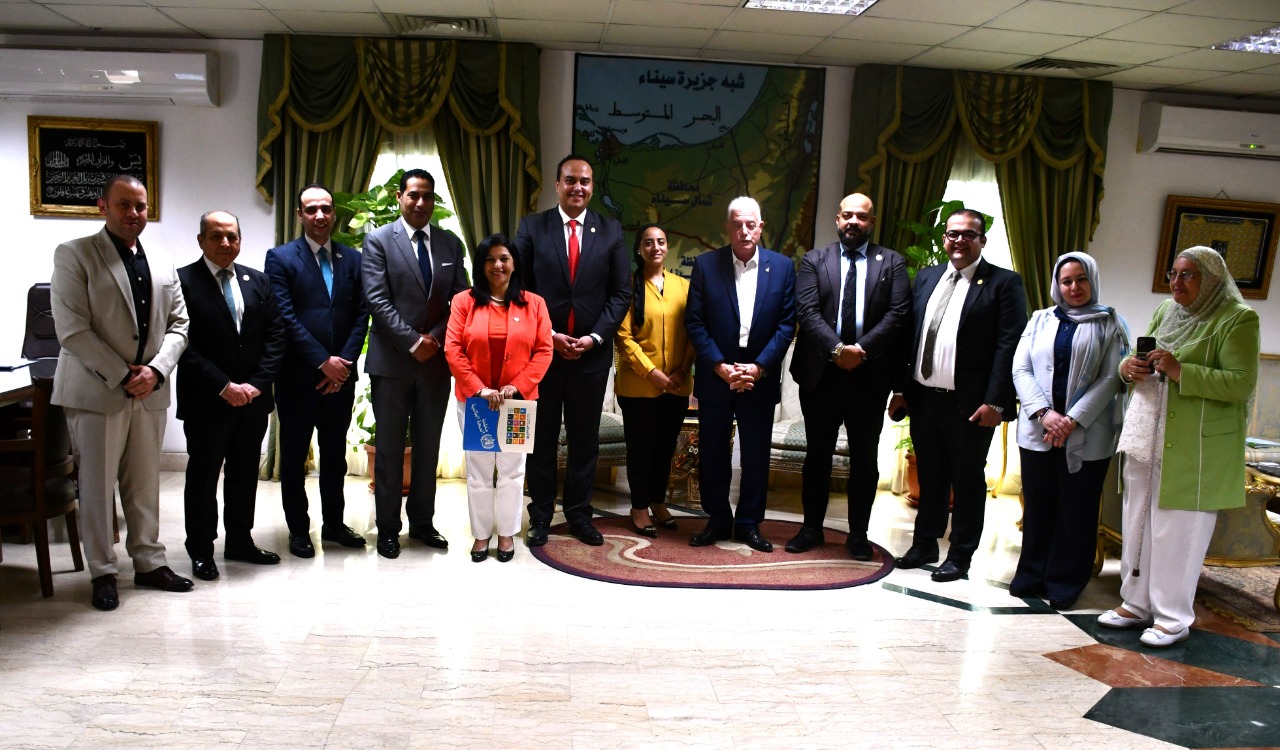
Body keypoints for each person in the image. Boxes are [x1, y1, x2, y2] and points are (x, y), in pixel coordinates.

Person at [1097, 246, 1259, 647]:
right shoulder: (1167, 311)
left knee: (1178, 531)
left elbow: (1240, 383)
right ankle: (1135, 603)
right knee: (1138, 521)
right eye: (1174, 273)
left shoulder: (1237, 318)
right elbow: (1139, 357)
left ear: (1212, 279)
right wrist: (1128, 368)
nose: (1176, 282)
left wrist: (1181, 370)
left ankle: (1172, 617)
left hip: (1194, 446)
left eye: (1188, 274)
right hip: (1147, 432)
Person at [51, 174, 193, 611]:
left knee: (145, 483)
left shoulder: (162, 260)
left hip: (150, 391)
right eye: (124, 205)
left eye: (141, 206)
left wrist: (155, 370)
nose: (134, 214)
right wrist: (121, 374)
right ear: (103, 207)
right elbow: (72, 329)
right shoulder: (75, 254)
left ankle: (149, 562)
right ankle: (103, 571)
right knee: (97, 486)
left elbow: (180, 325)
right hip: (96, 391)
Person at [889, 209, 1026, 582]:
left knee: (966, 481)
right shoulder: (928, 277)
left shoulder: (1004, 283)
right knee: (930, 475)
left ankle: (960, 555)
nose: (959, 240)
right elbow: (909, 336)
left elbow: (1009, 346)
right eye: (953, 234)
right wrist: (900, 389)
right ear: (945, 238)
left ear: (982, 240)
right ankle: (924, 544)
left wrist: (996, 402)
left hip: (971, 405)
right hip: (923, 398)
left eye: (968, 234)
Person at [514, 155, 630, 548]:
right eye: (570, 180)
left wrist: (595, 338)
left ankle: (580, 516)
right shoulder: (532, 227)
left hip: (590, 357)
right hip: (542, 356)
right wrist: (548, 334)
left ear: (592, 186)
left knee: (584, 442)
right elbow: (519, 288)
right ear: (557, 184)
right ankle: (541, 516)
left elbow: (620, 293)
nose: (577, 187)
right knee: (541, 440)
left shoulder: (610, 230)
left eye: (585, 181)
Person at [786, 193, 910, 558]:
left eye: (862, 216)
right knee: (817, 456)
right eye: (847, 215)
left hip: (869, 378)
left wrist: (861, 351)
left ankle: (858, 534)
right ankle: (811, 528)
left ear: (872, 222)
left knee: (864, 459)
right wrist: (838, 350)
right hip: (821, 375)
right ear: (837, 219)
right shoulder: (815, 260)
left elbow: (898, 315)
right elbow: (806, 312)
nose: (854, 221)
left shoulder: (892, 262)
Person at [363, 168, 469, 559]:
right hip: (392, 364)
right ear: (399, 197)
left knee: (427, 449)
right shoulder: (378, 240)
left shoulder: (450, 244)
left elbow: (461, 299)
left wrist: (434, 339)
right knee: (390, 450)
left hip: (435, 365)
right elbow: (376, 300)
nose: (420, 202)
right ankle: (388, 528)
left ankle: (422, 523)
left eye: (427, 196)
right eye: (413, 195)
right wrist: (412, 342)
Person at [1011, 252, 1127, 609]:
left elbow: (1112, 378)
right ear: (1056, 285)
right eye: (1066, 281)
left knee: (1077, 509)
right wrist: (1045, 414)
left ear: (1093, 280)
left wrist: (1072, 420)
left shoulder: (1110, 323)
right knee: (1038, 505)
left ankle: (1065, 581)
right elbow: (1021, 369)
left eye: (1081, 279)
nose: (1074, 287)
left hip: (1088, 433)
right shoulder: (1040, 319)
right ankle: (1032, 573)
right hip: (1039, 430)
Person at [176, 211, 286, 581]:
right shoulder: (183, 282)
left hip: (252, 401)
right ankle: (201, 549)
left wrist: (255, 384)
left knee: (244, 474)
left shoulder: (258, 281)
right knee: (203, 477)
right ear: (201, 240)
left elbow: (276, 336)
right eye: (216, 236)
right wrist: (224, 386)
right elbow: (182, 343)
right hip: (207, 400)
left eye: (232, 236)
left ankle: (240, 541)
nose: (225, 243)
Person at [685, 196, 797, 552]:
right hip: (716, 373)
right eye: (737, 224)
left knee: (755, 453)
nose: (744, 231)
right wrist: (719, 366)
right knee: (712, 452)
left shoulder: (783, 267)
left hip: (758, 375)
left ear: (760, 228)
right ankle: (717, 519)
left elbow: (786, 324)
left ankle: (749, 522)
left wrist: (760, 367)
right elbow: (695, 322)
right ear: (727, 228)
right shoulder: (706, 265)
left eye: (751, 224)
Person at [264, 183, 370, 558]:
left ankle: (334, 524)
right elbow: (284, 316)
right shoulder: (280, 258)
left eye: (326, 208)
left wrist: (342, 363)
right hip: (297, 378)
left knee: (335, 456)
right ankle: (298, 529)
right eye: (311, 209)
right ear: (300, 215)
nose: (320, 215)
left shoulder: (352, 259)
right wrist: (323, 361)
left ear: (334, 213)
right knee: (294, 458)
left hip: (340, 379)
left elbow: (361, 314)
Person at [445, 234, 553, 562]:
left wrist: (516, 386)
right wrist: (479, 388)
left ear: (514, 263)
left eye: (504, 258)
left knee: (512, 470)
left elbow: (544, 350)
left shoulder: (534, 304)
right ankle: (481, 535)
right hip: (475, 402)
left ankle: (506, 534)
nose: (498, 265)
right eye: (490, 259)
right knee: (478, 470)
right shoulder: (463, 302)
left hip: (517, 402)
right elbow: (453, 349)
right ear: (481, 265)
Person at [614, 224, 693, 537]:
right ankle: (639, 507)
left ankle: (658, 502)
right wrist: (652, 373)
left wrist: (682, 370)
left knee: (665, 448)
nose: (655, 247)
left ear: (667, 246)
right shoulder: (628, 287)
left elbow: (694, 331)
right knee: (641, 449)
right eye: (648, 242)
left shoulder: (683, 286)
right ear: (639, 248)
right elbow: (623, 337)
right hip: (639, 386)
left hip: (677, 385)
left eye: (660, 242)